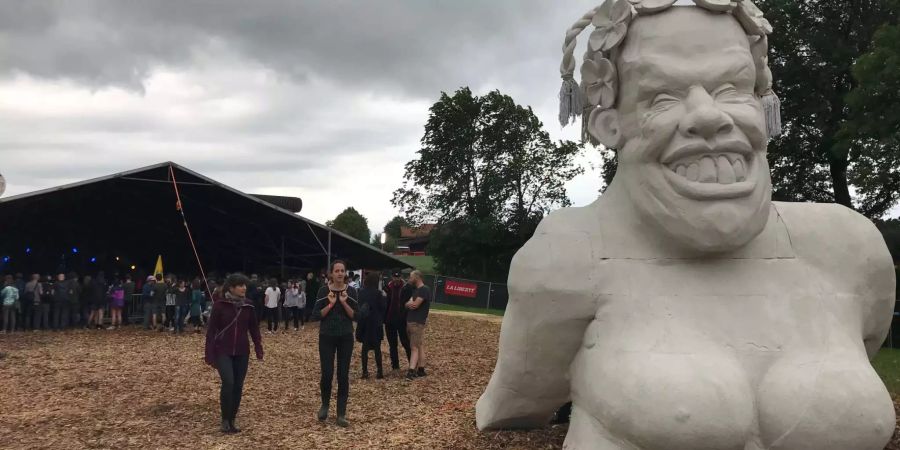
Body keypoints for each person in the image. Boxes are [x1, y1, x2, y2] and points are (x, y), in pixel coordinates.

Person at [204, 273, 263, 434]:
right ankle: (224, 419)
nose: (244, 288)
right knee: (228, 382)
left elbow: (254, 328)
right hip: (223, 350)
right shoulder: (219, 305)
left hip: (242, 351)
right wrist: (208, 353)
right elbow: (211, 331)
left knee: (238, 385)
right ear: (231, 287)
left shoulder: (248, 306)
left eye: (245, 285)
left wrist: (258, 347)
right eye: (240, 285)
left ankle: (232, 419)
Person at [313, 260, 358, 427]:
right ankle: (325, 404)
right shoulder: (323, 291)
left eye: (342, 270)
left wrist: (344, 302)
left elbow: (356, 316)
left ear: (345, 273)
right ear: (331, 273)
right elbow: (316, 315)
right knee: (327, 373)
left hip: (345, 336)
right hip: (327, 336)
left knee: (343, 374)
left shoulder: (352, 291)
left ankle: (341, 413)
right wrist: (331, 304)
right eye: (337, 271)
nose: (340, 273)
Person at [357, 272, 386, 379]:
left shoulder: (361, 292)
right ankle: (379, 371)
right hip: (376, 323)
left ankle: (365, 371)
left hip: (365, 322)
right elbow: (383, 307)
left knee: (365, 349)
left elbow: (359, 306)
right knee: (377, 348)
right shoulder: (379, 293)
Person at [405, 270, 431, 380]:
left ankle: (411, 371)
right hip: (412, 322)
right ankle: (421, 369)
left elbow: (414, 305)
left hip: (417, 322)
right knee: (419, 345)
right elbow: (407, 304)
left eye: (411, 277)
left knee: (414, 347)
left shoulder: (424, 290)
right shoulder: (416, 290)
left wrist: (410, 303)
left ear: (417, 277)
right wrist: (409, 304)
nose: (409, 279)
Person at [383, 271, 411, 372]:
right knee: (393, 344)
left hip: (402, 320)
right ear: (392, 277)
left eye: (398, 277)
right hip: (389, 319)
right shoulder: (387, 287)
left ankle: (412, 364)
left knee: (405, 343)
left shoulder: (406, 288)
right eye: (395, 277)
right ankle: (395, 366)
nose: (396, 279)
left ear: (401, 277)